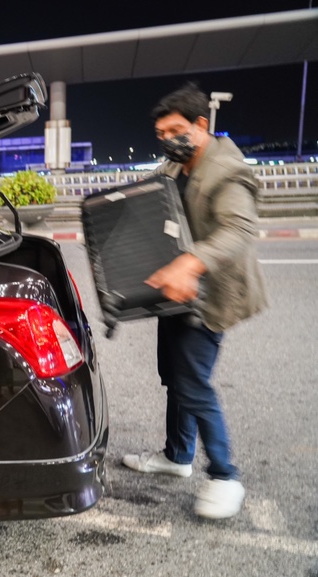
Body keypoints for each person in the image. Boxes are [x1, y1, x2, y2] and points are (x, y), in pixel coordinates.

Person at [121, 82, 268, 519]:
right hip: (175, 292)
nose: (167, 139)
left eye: (175, 130)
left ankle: (225, 476)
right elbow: (150, 196)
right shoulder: (175, 164)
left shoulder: (227, 170)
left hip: (211, 294)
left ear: (201, 125)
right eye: (161, 133)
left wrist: (191, 263)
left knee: (193, 383)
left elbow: (240, 230)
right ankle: (178, 456)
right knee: (174, 374)